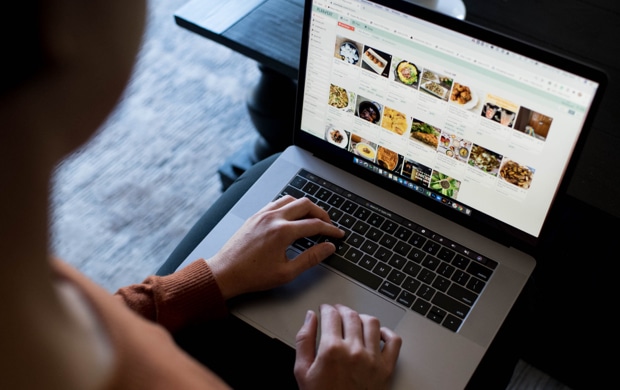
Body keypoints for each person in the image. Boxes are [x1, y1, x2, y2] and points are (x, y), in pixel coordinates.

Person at [0, 1, 402, 389]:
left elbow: (112, 314)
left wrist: (214, 276)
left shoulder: (27, 278)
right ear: (61, 28)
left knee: (269, 169)